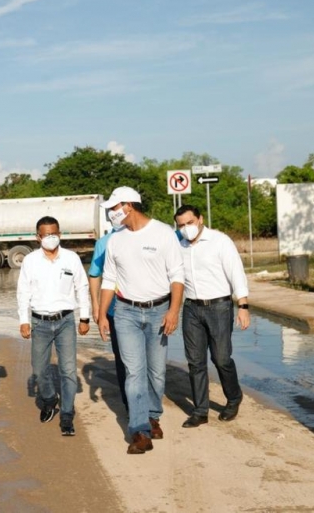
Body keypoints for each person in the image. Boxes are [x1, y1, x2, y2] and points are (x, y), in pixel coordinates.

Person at [97, 186, 184, 455]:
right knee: (134, 372)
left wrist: (173, 311)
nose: (112, 213)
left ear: (128, 206)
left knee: (156, 372)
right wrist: (101, 314)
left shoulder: (163, 233)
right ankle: (139, 430)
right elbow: (109, 280)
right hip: (125, 313)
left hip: (159, 311)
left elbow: (177, 277)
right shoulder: (115, 240)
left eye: (114, 208)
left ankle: (153, 415)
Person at [174, 205, 250, 427]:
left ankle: (234, 398)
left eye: (189, 223)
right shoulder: (178, 245)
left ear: (200, 219)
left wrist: (243, 305)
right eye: (180, 225)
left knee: (221, 358)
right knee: (195, 362)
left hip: (219, 307)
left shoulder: (219, 241)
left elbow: (236, 272)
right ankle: (200, 411)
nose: (185, 228)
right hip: (191, 309)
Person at [17, 216, 90, 436]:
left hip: (66, 321)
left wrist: (84, 318)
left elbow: (82, 287)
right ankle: (49, 399)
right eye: (46, 234)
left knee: (68, 370)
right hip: (40, 322)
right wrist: (24, 320)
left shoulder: (71, 258)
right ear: (38, 236)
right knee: (40, 370)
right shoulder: (30, 260)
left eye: (54, 233)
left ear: (60, 233)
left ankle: (67, 415)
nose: (50, 237)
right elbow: (23, 292)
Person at [88, 226, 128, 414]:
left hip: (148, 309)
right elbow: (95, 275)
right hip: (115, 310)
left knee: (150, 363)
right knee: (123, 360)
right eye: (112, 209)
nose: (116, 213)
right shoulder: (104, 242)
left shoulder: (151, 234)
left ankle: (151, 408)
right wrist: (97, 307)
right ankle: (130, 406)